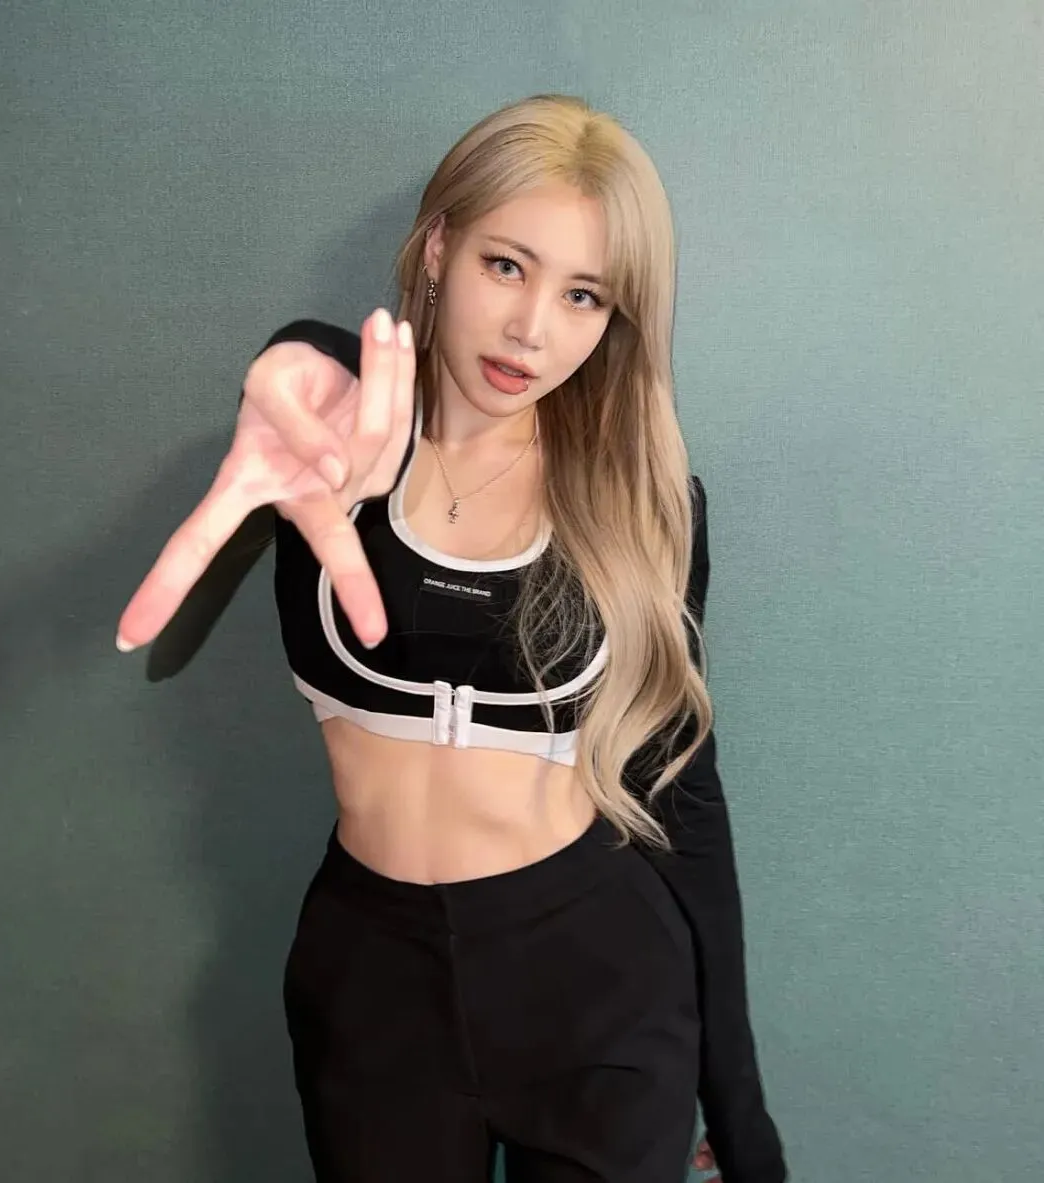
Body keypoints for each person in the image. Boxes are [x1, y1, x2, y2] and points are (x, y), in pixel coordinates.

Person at [117, 94, 787, 1183]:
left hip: (600, 981)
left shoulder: (646, 505)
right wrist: (292, 351)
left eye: (583, 295)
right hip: (373, 981)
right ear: (438, 248)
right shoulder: (331, 442)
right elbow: (313, 365)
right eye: (506, 266)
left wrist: (742, 1118)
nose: (532, 331)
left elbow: (682, 793)